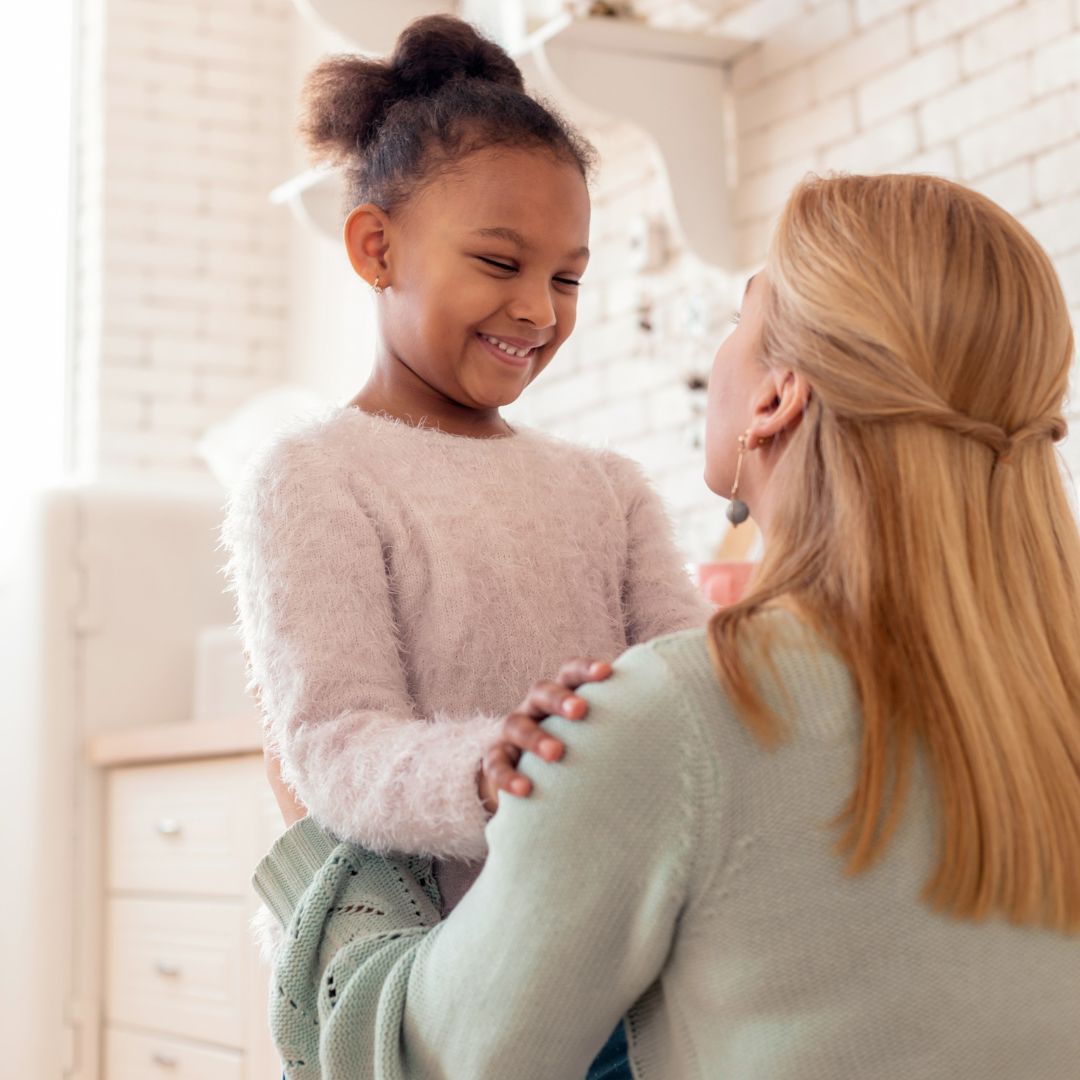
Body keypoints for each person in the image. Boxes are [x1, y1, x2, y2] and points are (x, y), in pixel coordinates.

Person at [253, 172, 1080, 1079]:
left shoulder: (671, 724)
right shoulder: (1051, 700)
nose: (538, 309)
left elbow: (425, 1064)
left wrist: (315, 844)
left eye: (740, 320)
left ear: (774, 400)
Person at [220, 15, 710, 1080]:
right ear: (374, 246)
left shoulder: (608, 489)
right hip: (453, 992)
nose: (537, 311)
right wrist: (491, 766)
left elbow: (693, 693)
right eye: (501, 262)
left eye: (568, 279)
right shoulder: (312, 475)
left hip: (631, 982)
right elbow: (334, 749)